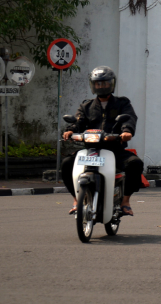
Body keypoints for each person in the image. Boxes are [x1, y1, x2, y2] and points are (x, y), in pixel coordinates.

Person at [61, 66, 144, 217]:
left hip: (114, 150)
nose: (101, 86)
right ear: (93, 85)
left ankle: (125, 202)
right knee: (67, 163)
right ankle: (75, 200)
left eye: (105, 83)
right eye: (98, 83)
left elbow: (129, 118)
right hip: (90, 150)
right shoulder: (86, 106)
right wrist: (71, 130)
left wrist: (126, 131)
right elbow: (78, 121)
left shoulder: (122, 104)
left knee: (135, 164)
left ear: (112, 84)